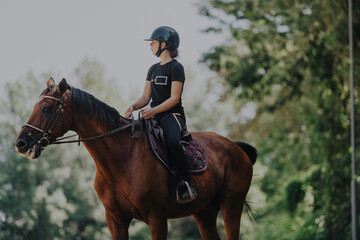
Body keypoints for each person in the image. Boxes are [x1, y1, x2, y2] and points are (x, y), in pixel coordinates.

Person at [125, 26, 197, 203]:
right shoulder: (152, 69)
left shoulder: (176, 68)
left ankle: (187, 183)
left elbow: (174, 98)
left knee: (172, 142)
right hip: (153, 114)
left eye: (153, 42)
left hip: (172, 115)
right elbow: (145, 97)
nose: (150, 45)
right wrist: (134, 106)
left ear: (164, 44)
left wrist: (154, 110)